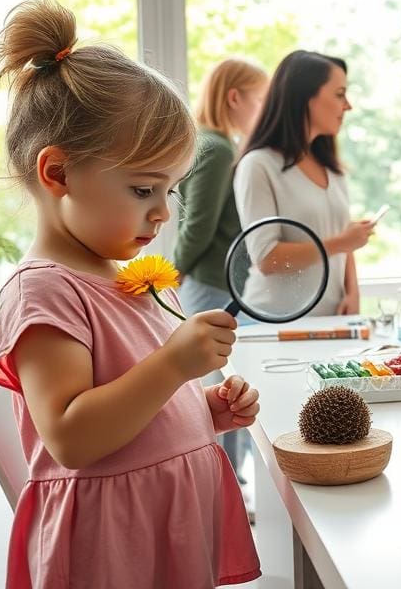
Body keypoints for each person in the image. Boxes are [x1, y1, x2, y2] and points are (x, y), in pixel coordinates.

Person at [0, 0, 260, 587]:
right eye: (144, 189)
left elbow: (128, 409)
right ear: (56, 173)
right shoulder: (44, 293)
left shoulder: (122, 277)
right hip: (109, 549)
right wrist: (174, 367)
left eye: (171, 189)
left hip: (158, 529)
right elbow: (73, 436)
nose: (164, 212)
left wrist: (199, 411)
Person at [174, 57, 268, 488]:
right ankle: (229, 486)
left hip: (212, 281)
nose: (264, 108)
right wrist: (170, 277)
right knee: (227, 390)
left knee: (225, 388)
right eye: (260, 98)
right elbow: (197, 226)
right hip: (208, 283)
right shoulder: (216, 148)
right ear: (235, 97)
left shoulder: (215, 144)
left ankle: (232, 484)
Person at [234, 51, 372, 316]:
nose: (348, 106)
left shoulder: (333, 169)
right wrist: (342, 242)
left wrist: (353, 293)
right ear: (306, 98)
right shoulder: (258, 165)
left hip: (331, 319)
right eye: (340, 94)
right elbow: (266, 258)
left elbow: (345, 241)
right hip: (275, 322)